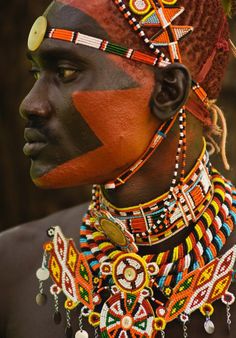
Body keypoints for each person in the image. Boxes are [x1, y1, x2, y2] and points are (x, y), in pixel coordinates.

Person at [0, 0, 236, 337]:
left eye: (66, 72)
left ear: (168, 91)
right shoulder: (10, 265)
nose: (30, 104)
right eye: (37, 73)